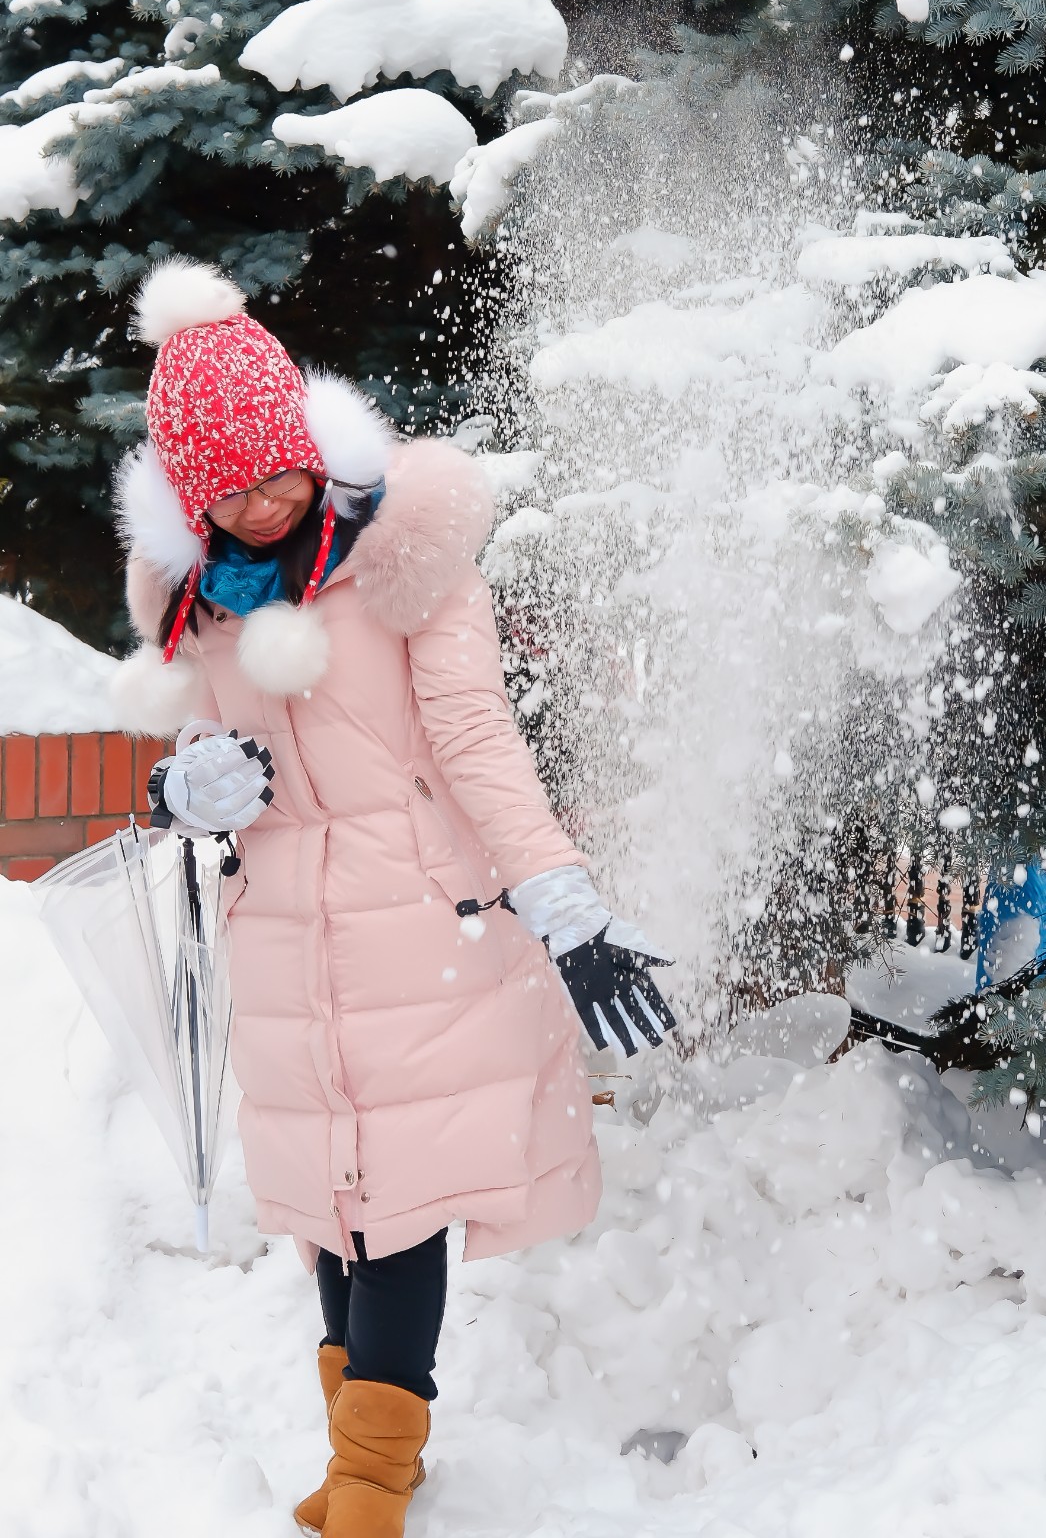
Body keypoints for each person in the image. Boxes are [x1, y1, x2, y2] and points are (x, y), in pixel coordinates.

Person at [111, 258, 676, 1538]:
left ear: (311, 444)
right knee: (331, 1212)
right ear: (192, 501)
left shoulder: (411, 566)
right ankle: (370, 1460)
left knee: (402, 1205)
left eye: (277, 473)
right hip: (282, 944)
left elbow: (479, 741)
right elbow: (204, 759)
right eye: (228, 493)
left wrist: (563, 900)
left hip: (419, 926)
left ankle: (367, 1486)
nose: (261, 505)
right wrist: (198, 784)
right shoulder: (199, 607)